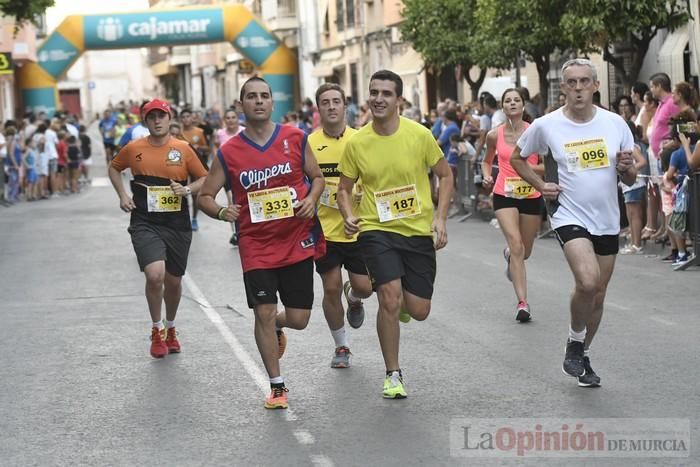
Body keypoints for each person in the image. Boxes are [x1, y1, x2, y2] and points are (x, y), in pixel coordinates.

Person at [197, 77, 325, 410]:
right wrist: (223, 210)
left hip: (296, 239)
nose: (258, 101)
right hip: (256, 246)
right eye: (251, 97)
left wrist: (312, 198)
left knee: (299, 318)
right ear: (241, 105)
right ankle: (277, 385)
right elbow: (205, 197)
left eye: (264, 96)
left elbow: (318, 177)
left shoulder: (296, 138)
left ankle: (280, 326)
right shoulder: (229, 152)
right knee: (263, 312)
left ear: (272, 103)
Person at [511, 58, 636, 388]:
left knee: (598, 294)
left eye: (585, 82)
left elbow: (631, 175)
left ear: (596, 86)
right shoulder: (547, 125)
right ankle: (575, 340)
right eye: (572, 83)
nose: (579, 88)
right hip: (568, 213)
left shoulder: (615, 124)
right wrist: (540, 186)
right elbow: (517, 158)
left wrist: (627, 168)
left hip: (608, 218)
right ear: (563, 87)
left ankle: (580, 351)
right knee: (587, 281)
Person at [337, 70, 453, 399]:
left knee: (418, 310)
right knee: (388, 297)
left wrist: (441, 219)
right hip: (376, 228)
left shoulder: (419, 136)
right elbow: (343, 189)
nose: (378, 98)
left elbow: (445, 176)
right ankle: (393, 374)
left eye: (386, 93)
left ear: (399, 100)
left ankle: (400, 299)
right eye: (373, 92)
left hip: (416, 231)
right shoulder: (357, 142)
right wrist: (348, 216)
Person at [108, 98, 208, 359]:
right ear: (145, 121)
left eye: (161, 116)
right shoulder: (133, 148)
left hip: (177, 222)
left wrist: (186, 189)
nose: (157, 121)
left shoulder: (183, 149)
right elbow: (114, 168)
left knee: (173, 282)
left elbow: (204, 178)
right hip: (145, 222)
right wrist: (122, 195)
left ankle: (171, 327)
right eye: (151, 117)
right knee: (155, 275)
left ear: (168, 118)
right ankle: (156, 329)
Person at [310, 83, 373, 369]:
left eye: (337, 101)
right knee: (330, 288)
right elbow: (304, 182)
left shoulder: (361, 139)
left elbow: (374, 176)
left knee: (366, 287)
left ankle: (355, 297)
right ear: (319, 108)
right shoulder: (309, 144)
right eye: (326, 102)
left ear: (345, 105)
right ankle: (341, 346)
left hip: (357, 226)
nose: (332, 106)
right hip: (324, 229)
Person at [482, 88, 544, 322]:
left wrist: (523, 167)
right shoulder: (493, 135)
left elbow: (546, 166)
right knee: (517, 245)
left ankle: (510, 255)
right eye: (508, 100)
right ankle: (523, 303)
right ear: (503, 107)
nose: (512, 103)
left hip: (530, 194)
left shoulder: (536, 132)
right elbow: (487, 162)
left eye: (516, 100)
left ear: (523, 105)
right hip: (504, 194)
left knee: (524, 252)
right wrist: (487, 175)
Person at [214, 108, 245, 246]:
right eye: (228, 118)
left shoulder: (244, 131)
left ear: (237, 119)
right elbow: (216, 148)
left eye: (233, 117)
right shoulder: (220, 134)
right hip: (228, 172)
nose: (231, 120)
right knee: (232, 200)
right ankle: (236, 232)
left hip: (245, 171)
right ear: (224, 120)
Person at [180, 108, 210, 231]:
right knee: (181, 192)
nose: (186, 119)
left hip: (195, 165)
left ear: (192, 118)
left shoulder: (199, 132)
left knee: (194, 193)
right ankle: (183, 217)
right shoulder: (178, 133)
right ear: (180, 119)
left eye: (188, 116)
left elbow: (207, 147)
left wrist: (199, 147)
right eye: (183, 117)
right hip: (180, 166)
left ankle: (194, 219)